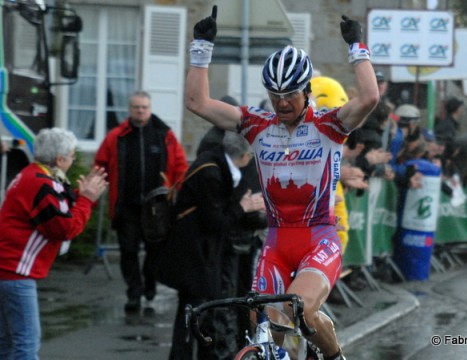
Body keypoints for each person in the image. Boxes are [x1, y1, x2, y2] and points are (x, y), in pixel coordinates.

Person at [185, 5, 379, 359]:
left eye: (289, 94)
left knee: (301, 311)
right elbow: (197, 102)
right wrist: (201, 46)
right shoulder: (256, 124)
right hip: (275, 241)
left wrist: (357, 48)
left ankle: (335, 357)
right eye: (274, 94)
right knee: (266, 329)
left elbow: (369, 99)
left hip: (319, 237)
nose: (281, 102)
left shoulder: (329, 125)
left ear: (306, 90)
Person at [0, 128, 108, 359]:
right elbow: (64, 229)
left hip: (8, 270)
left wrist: (81, 196)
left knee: (8, 343)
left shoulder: (31, 174)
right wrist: (87, 199)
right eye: (71, 156)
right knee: (26, 345)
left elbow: (55, 211)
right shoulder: (42, 183)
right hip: (16, 273)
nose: (72, 160)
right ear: (60, 159)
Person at [157, 131, 264, 360]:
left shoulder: (213, 162)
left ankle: (199, 354)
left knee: (200, 308)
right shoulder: (211, 173)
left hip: (199, 251)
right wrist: (243, 207)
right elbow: (215, 222)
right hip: (194, 253)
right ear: (244, 156)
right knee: (194, 310)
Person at [94, 90, 188, 313]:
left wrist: (174, 193)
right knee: (128, 251)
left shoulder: (164, 135)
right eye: (136, 107)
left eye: (144, 107)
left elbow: (180, 167)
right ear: (130, 109)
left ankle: (149, 280)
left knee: (155, 251)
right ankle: (134, 293)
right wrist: (93, 193)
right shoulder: (117, 136)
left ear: (150, 108)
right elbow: (100, 166)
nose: (140, 111)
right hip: (126, 206)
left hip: (156, 209)